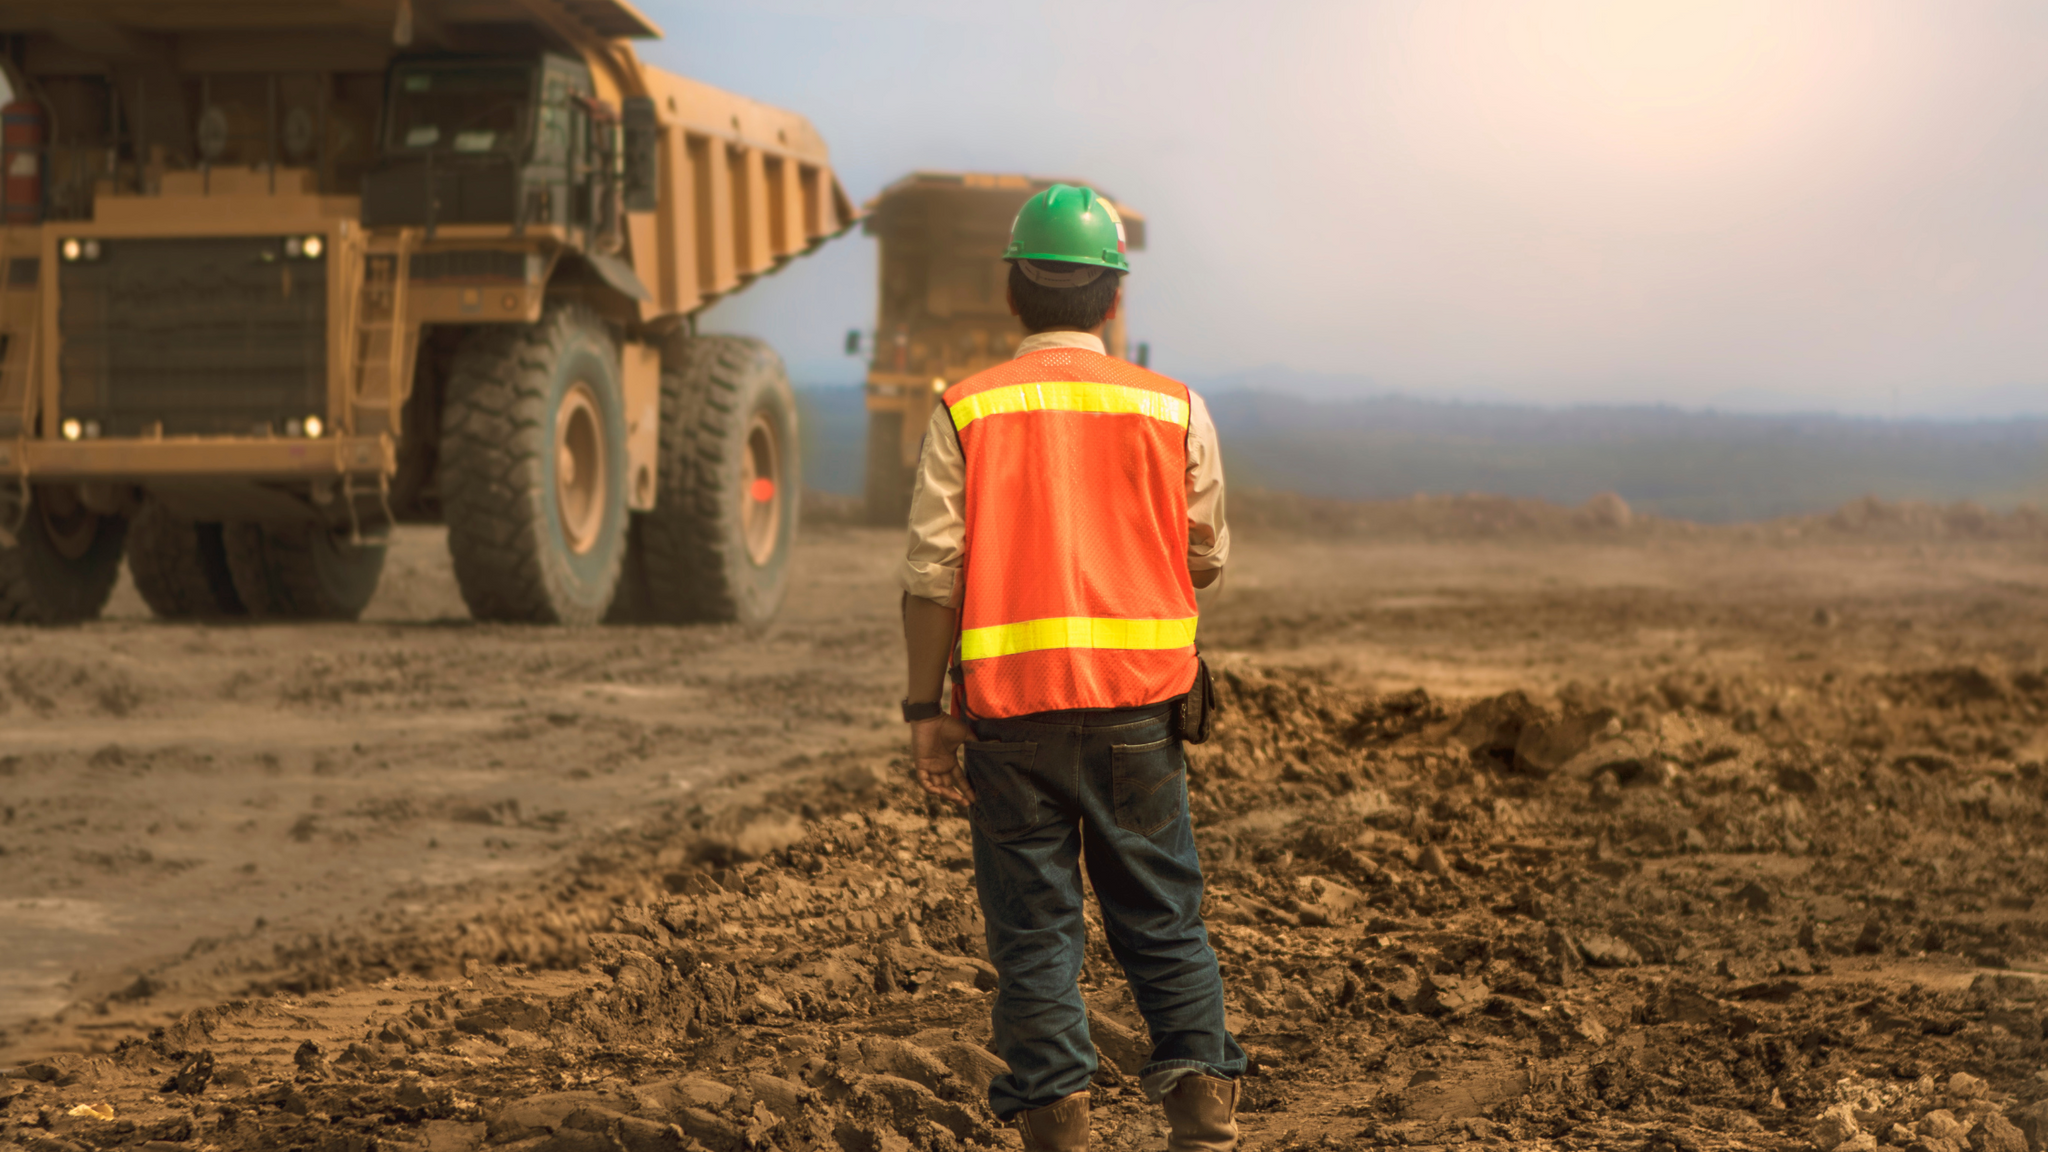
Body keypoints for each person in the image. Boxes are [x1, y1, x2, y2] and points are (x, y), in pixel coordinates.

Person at [896, 184, 1244, 1152]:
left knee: (1034, 935)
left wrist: (924, 712)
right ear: (1115, 297)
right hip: (1141, 715)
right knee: (1163, 921)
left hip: (1009, 723)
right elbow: (1205, 557)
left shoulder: (967, 409)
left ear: (1012, 290)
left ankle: (1058, 1129)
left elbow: (931, 574)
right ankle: (1204, 1125)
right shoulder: (1173, 408)